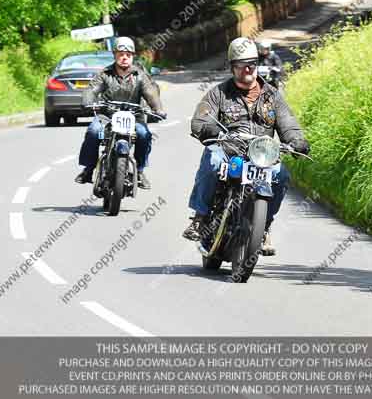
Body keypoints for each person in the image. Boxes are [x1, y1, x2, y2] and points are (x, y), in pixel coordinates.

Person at [182, 37, 310, 255]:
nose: (248, 68)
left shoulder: (272, 95)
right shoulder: (219, 93)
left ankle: (265, 224)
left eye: (252, 63)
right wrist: (208, 129)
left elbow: (288, 123)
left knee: (282, 175)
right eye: (242, 64)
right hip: (229, 152)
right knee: (212, 159)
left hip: (262, 157)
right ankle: (200, 217)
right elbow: (201, 118)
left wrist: (297, 141)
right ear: (233, 67)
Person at [74, 37, 165, 190]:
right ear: (115, 55)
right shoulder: (105, 74)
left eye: (128, 54)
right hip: (107, 116)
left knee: (144, 134)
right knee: (93, 131)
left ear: (132, 56)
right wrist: (87, 101)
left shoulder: (140, 75)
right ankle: (88, 169)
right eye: (121, 54)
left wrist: (158, 109)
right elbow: (92, 89)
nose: (124, 57)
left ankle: (140, 171)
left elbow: (151, 92)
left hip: (134, 116)